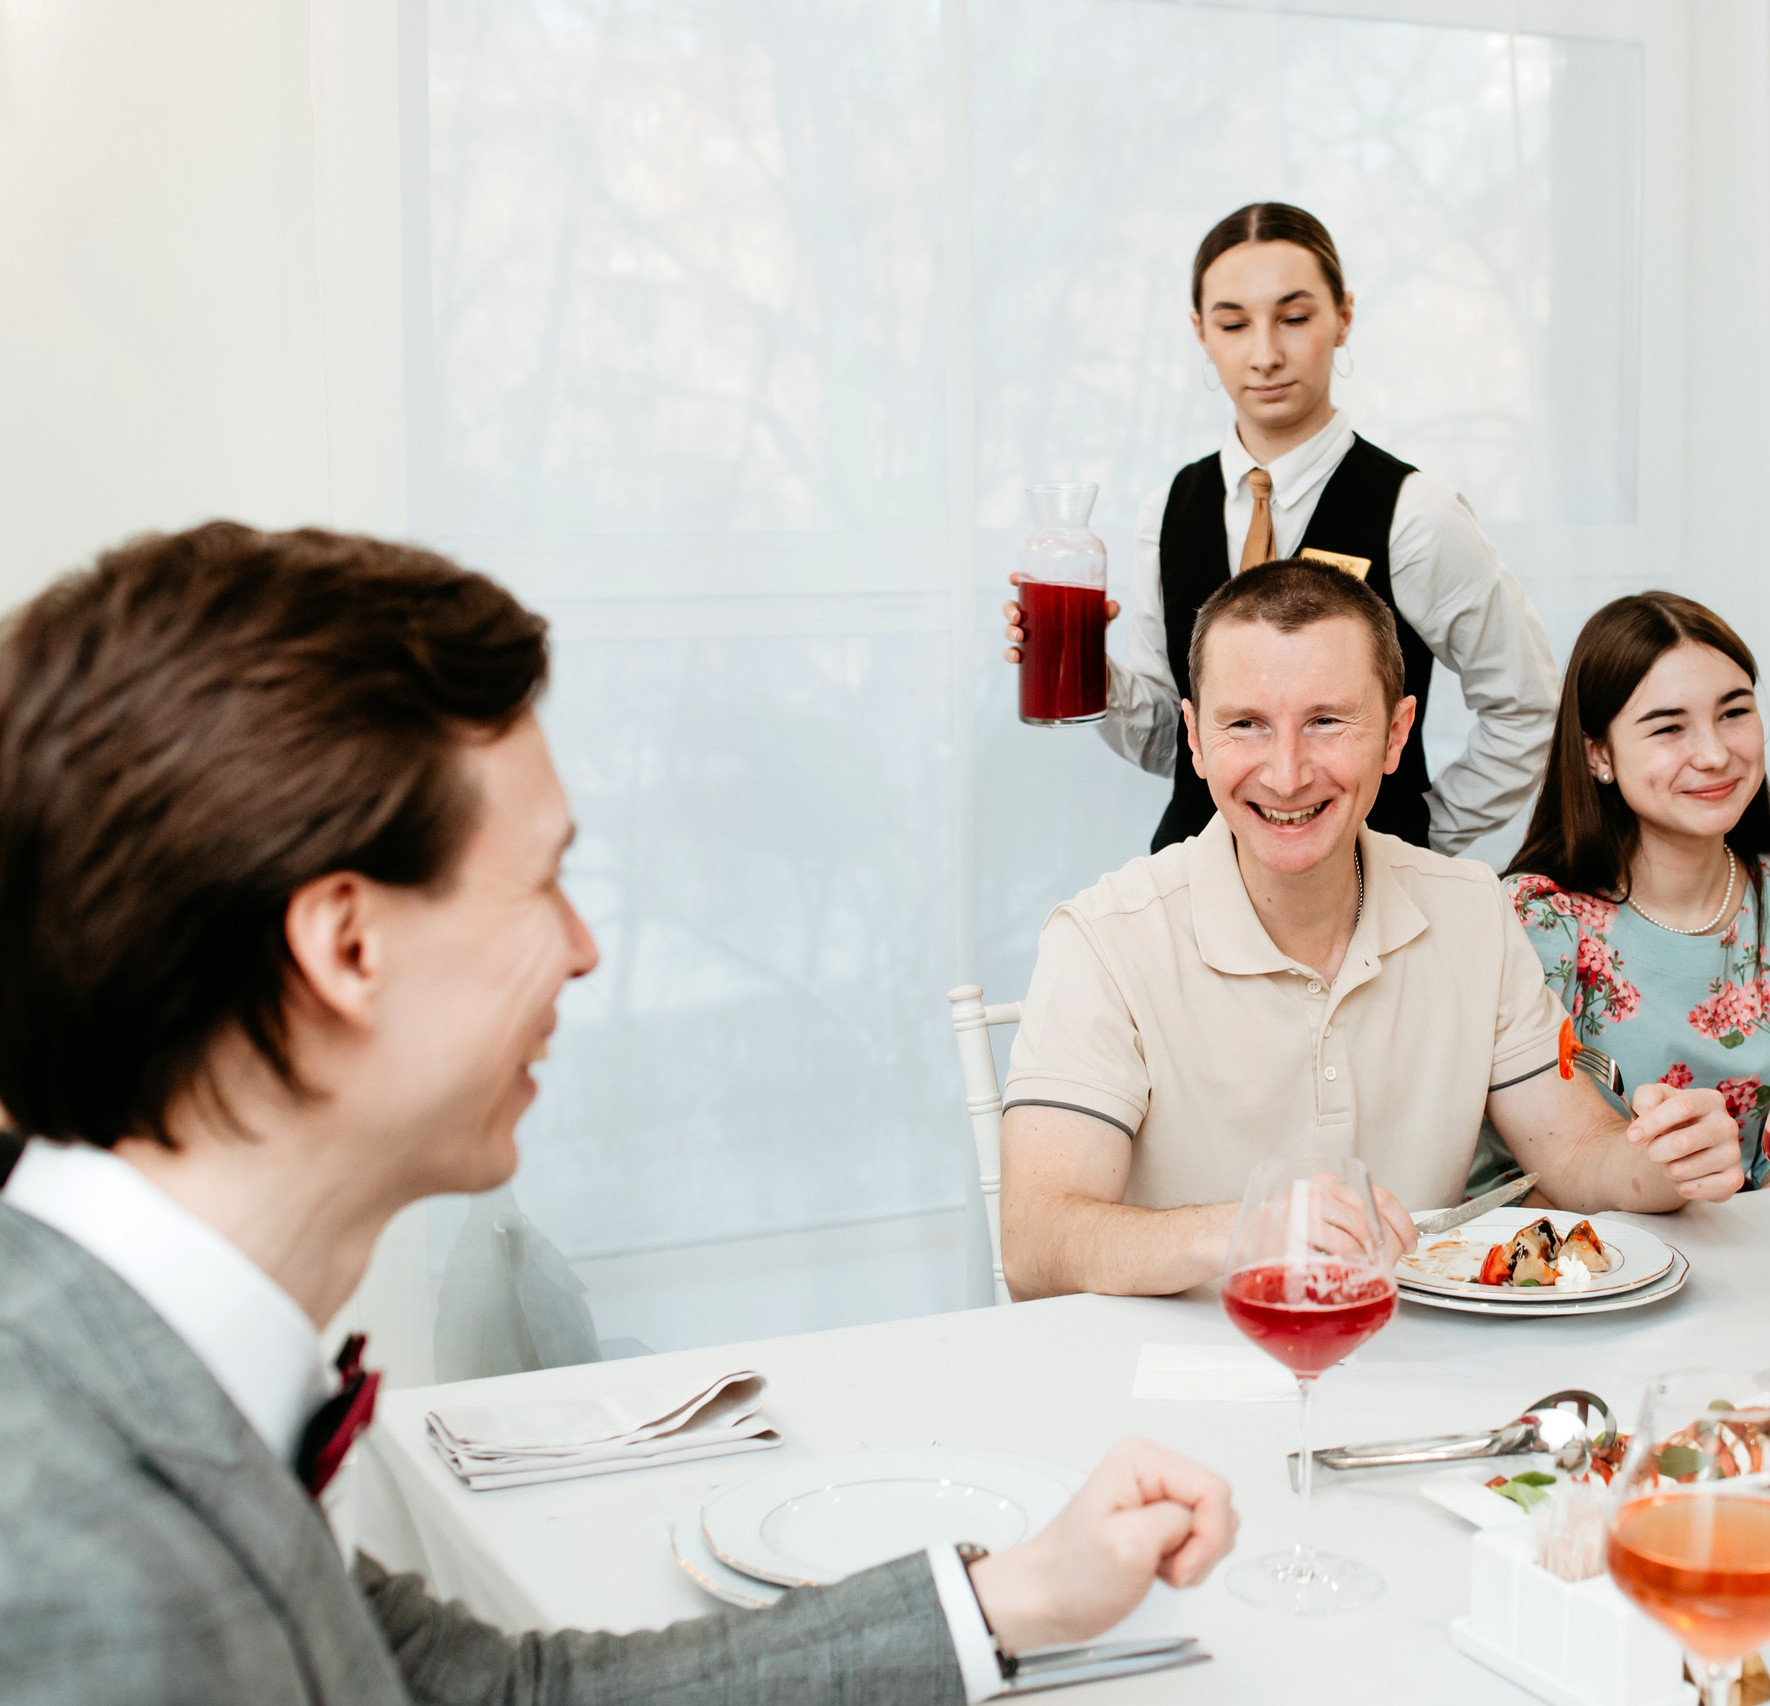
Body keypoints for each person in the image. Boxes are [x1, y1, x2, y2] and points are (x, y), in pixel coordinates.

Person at [0, 523, 1238, 1705]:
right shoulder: (68, 1562)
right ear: (347, 945)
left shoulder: (145, 1366)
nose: (585, 948)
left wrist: (1015, 1594)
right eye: (543, 880)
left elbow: (493, 1690)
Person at [998, 560, 1746, 1300]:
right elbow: (1036, 1243)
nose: (1287, 773)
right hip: (1187, 1365)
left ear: (1395, 735)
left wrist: (1662, 1163)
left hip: (1413, 1356)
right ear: (1194, 738)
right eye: (1245, 725)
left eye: (1326, 722)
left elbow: (1577, 1151)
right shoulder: (1102, 939)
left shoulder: (1473, 910)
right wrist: (1247, 1229)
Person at [1000, 201, 1560, 857]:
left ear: (1343, 316)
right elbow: (1172, 746)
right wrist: (1091, 669)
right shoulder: (1168, 511)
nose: (1265, 355)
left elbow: (1529, 710)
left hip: (1359, 892)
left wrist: (1415, 837)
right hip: (1195, 883)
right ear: (1200, 332)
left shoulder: (1416, 515)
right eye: (1234, 324)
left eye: (1293, 319)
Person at [1487, 593, 1770, 1191]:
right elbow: (1506, 1177)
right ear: (1598, 754)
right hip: (1598, 1245)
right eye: (1669, 727)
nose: (1714, 754)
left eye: (1734, 712)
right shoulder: (1541, 919)